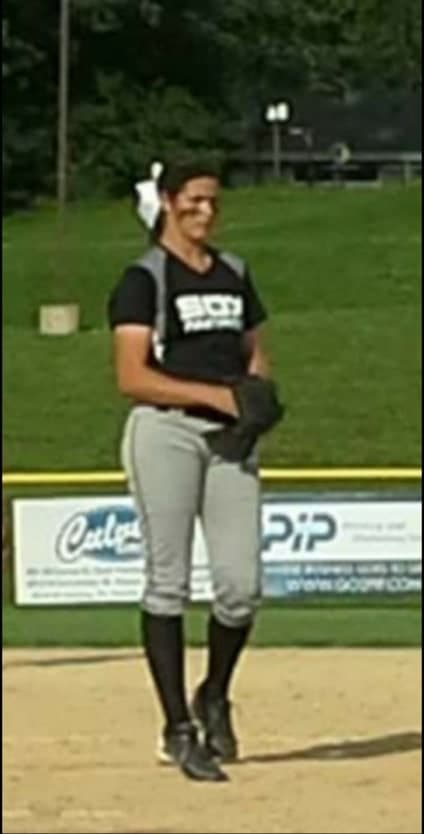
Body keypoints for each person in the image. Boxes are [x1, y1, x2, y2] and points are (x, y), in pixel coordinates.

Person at [107, 155, 281, 782]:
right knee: (168, 582)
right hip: (166, 431)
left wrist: (253, 399)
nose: (205, 211)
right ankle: (178, 727)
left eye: (213, 201)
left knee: (240, 586)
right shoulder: (144, 278)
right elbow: (132, 376)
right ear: (168, 202)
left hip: (228, 437)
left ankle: (214, 693)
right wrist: (218, 397)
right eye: (194, 200)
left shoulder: (234, 272)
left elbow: (254, 350)